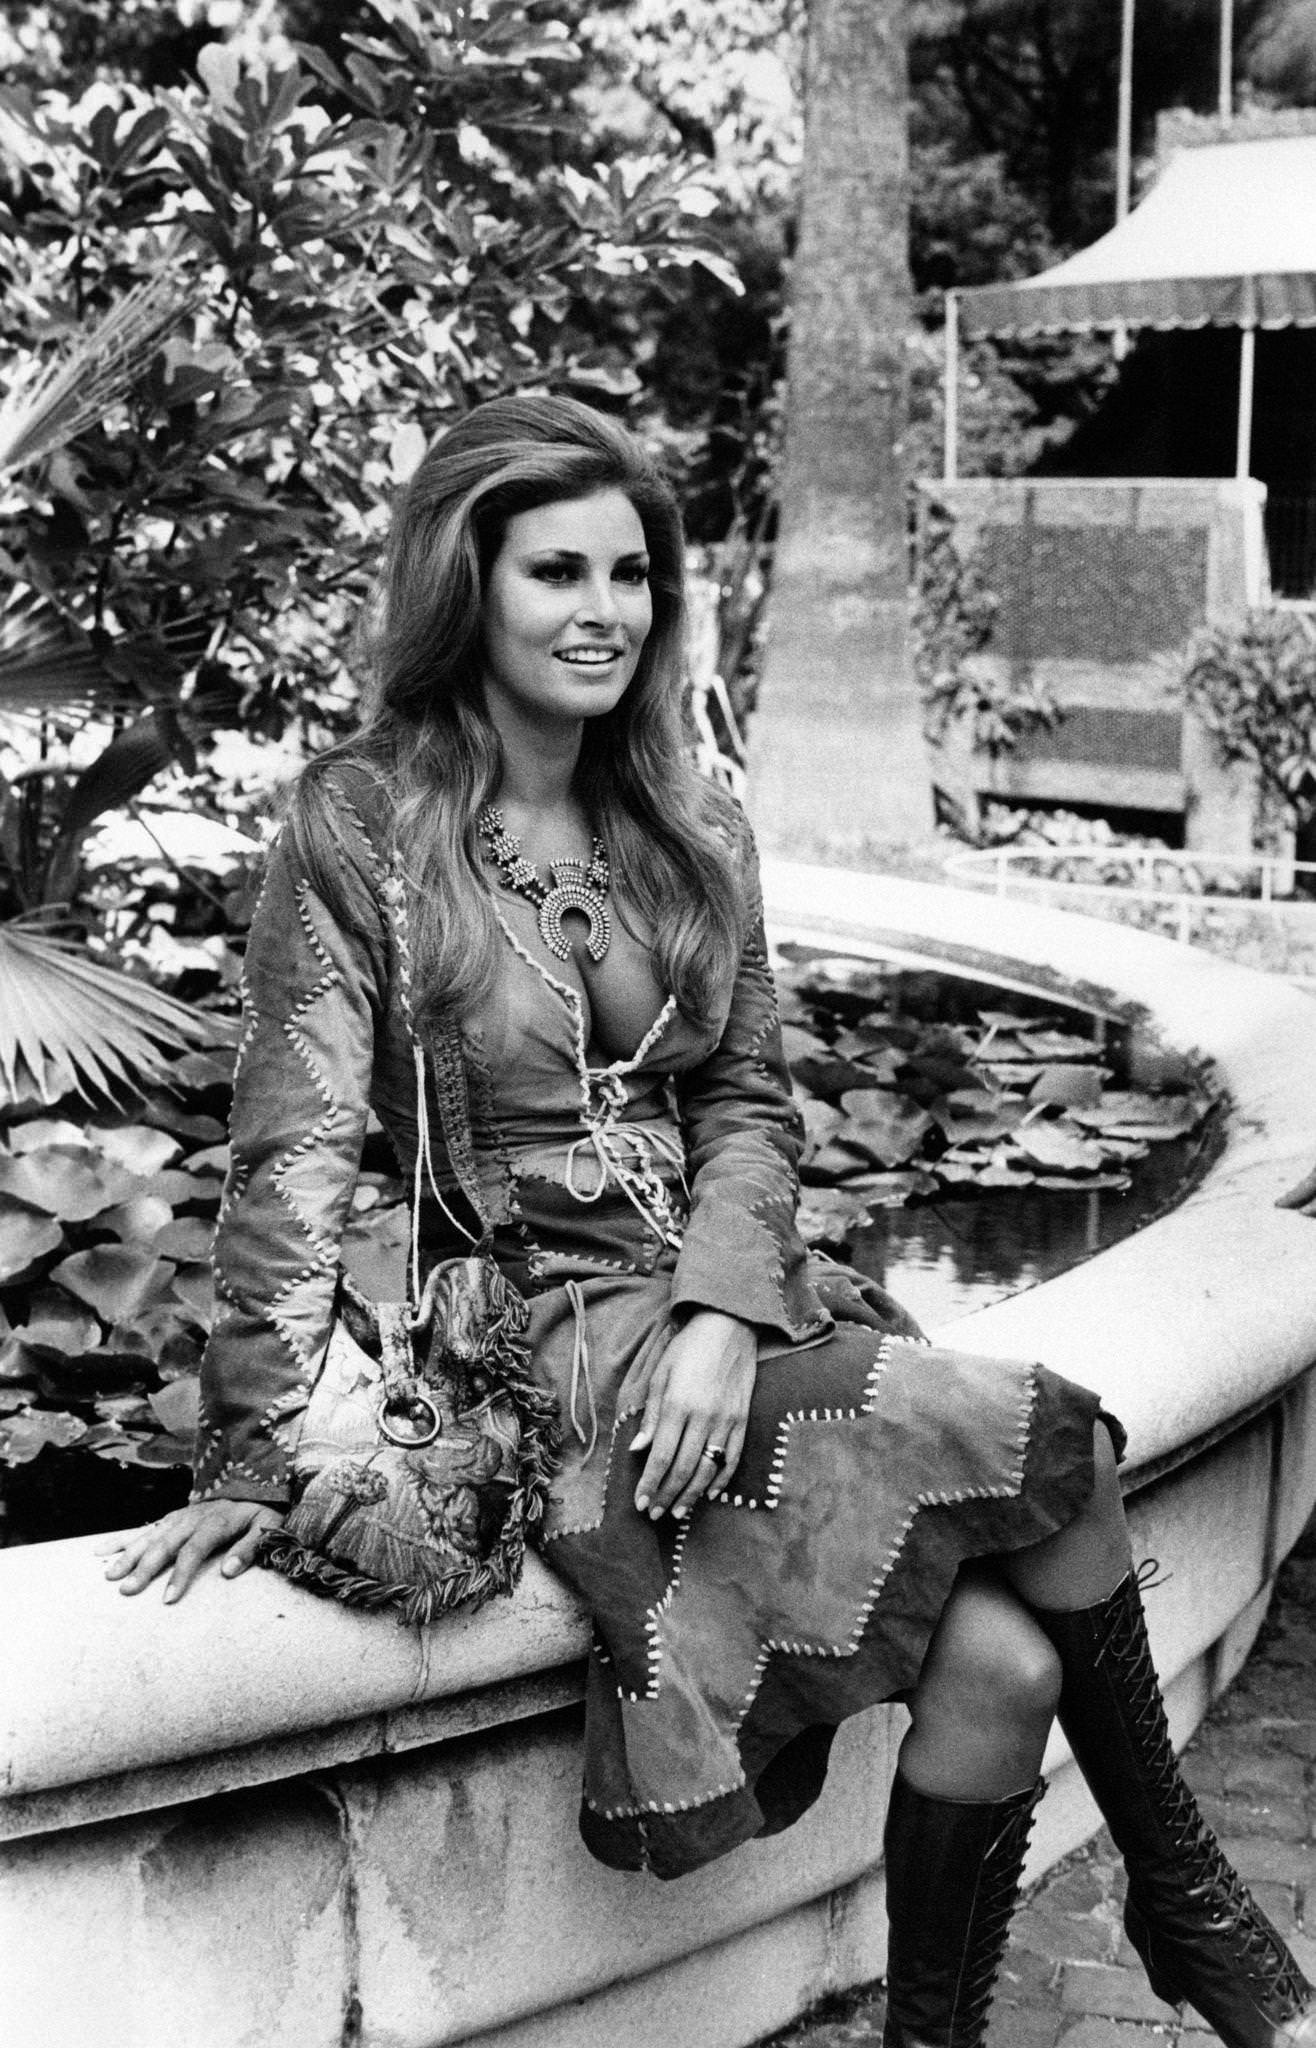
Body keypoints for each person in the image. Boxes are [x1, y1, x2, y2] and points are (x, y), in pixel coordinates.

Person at [100, 395, 1316, 2048]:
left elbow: (748, 1098)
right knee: (1050, 1437)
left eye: (632, 574)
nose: (604, 610)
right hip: (540, 1343)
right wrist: (249, 1455)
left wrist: (727, 1310)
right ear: (468, 582)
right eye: (557, 572)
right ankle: (1190, 1904)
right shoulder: (364, 825)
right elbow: (293, 1146)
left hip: (735, 1309)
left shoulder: (692, 817)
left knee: (1005, 1675)